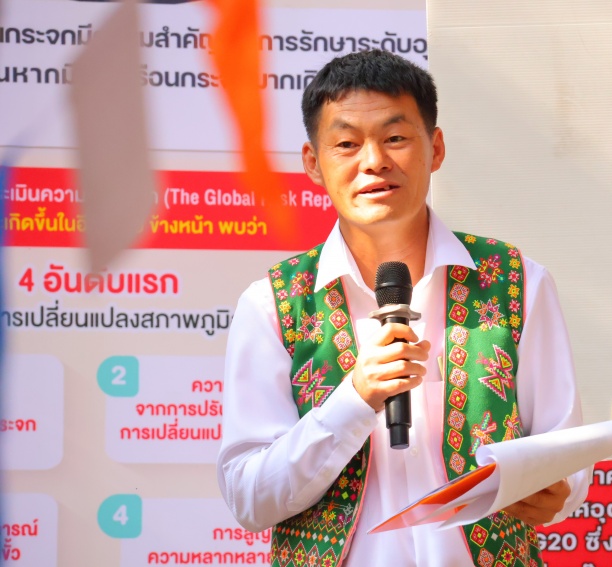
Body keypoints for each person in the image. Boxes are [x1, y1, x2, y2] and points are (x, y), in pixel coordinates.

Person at [217, 49, 589, 567]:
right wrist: (355, 399)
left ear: (435, 149)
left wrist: (560, 492)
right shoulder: (273, 305)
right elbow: (249, 497)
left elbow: (562, 452)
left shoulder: (517, 282)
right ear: (313, 163)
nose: (374, 161)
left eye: (395, 138)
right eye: (346, 144)